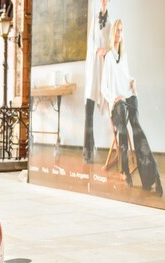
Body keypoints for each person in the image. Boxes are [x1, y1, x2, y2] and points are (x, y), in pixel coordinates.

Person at [100, 19, 163, 196]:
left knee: (137, 129)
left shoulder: (124, 55)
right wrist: (114, 98)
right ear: (113, 33)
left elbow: (125, 76)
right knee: (122, 128)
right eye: (117, 30)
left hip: (129, 95)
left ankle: (152, 178)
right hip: (117, 102)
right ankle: (125, 171)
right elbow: (104, 87)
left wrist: (132, 81)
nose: (119, 33)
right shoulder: (109, 57)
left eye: (122, 30)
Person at [83, 0, 112, 163]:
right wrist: (96, 49)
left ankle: (117, 149)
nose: (104, 2)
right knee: (89, 109)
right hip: (93, 66)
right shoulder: (94, 18)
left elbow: (112, 44)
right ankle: (87, 151)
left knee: (111, 108)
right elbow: (91, 39)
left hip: (104, 67)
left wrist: (106, 51)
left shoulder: (112, 21)